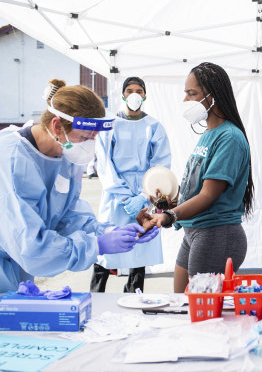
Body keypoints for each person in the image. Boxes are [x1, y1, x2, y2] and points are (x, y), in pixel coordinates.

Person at [0, 80, 158, 293]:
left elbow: (68, 215)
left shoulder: (65, 153)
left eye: (94, 137)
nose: (89, 145)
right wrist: (96, 245)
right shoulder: (11, 160)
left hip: (19, 268)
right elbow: (30, 247)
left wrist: (108, 231)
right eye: (85, 137)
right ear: (57, 126)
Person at [147, 62, 254, 293]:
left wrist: (170, 215)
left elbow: (208, 195)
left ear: (213, 96)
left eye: (191, 93)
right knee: (181, 302)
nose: (185, 100)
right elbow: (195, 191)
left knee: (200, 313)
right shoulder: (209, 134)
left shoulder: (230, 137)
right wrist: (166, 205)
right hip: (195, 232)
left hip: (217, 234)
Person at [90, 76, 171, 293]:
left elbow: (160, 165)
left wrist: (144, 196)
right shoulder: (110, 125)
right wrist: (125, 197)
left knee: (140, 247)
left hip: (144, 194)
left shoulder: (154, 126)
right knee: (106, 247)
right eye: (129, 90)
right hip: (115, 194)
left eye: (139, 90)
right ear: (123, 94)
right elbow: (105, 164)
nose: (134, 94)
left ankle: (135, 297)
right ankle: (95, 297)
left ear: (145, 95)